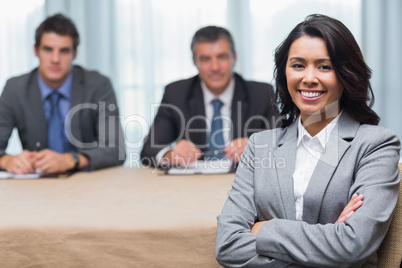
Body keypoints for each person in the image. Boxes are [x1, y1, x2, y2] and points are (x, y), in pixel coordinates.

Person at [215, 14, 401, 267]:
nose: (309, 78)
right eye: (298, 65)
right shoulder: (260, 146)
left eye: (324, 66)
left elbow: (353, 245)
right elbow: (227, 246)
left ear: (346, 75)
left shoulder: (375, 144)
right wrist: (329, 244)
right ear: (284, 74)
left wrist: (264, 229)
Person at [0, 13, 125, 175]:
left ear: (75, 54)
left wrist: (70, 160)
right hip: (35, 185)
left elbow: (115, 150)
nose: (55, 59)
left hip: (86, 182)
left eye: (64, 51)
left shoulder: (98, 85)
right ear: (36, 50)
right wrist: (7, 160)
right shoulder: (15, 88)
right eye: (48, 49)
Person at [141, 26, 278, 167]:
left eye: (222, 57)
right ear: (195, 62)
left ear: (234, 58)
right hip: (194, 184)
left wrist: (257, 147)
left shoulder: (261, 93)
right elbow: (148, 150)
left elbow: (284, 141)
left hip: (244, 182)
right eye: (205, 59)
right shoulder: (176, 93)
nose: (215, 67)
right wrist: (170, 154)